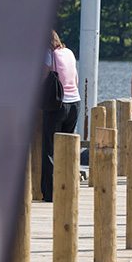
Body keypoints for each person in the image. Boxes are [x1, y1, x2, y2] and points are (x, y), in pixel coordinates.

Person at [41, 30, 81, 202]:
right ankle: (68, 189)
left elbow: (42, 78)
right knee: (67, 149)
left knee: (50, 150)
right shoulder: (69, 53)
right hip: (75, 104)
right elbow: (76, 79)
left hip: (57, 105)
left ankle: (50, 194)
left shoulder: (48, 55)